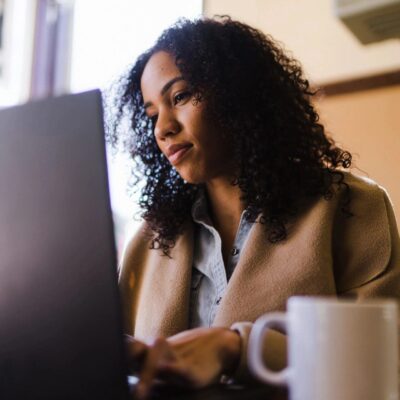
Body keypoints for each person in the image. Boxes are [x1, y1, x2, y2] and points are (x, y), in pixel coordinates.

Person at [107, 16, 400, 399]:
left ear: (236, 94)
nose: (163, 128)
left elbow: (379, 358)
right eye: (152, 114)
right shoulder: (148, 240)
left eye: (179, 97)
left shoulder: (350, 208)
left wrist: (237, 348)